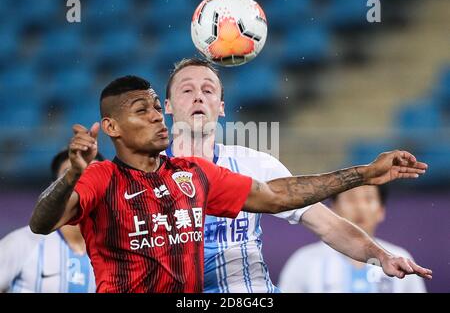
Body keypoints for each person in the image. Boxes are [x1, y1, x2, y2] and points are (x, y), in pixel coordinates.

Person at [28, 75, 430, 293]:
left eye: (154, 107)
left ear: (222, 104)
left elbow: (277, 195)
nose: (155, 116)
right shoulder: (102, 177)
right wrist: (72, 176)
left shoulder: (193, 175)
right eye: (143, 109)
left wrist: (362, 173)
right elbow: (42, 222)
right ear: (112, 127)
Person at [163, 58, 432, 293]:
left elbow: (329, 225)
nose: (198, 96)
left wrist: (379, 256)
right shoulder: (141, 178)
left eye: (208, 90)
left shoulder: (254, 164)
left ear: (221, 107)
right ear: (167, 106)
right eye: (187, 90)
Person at [278, 185, 427, 293]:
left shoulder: (402, 260)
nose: (359, 207)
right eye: (351, 199)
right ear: (332, 209)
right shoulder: (303, 261)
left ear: (381, 210)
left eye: (368, 199)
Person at [0, 148, 103, 293]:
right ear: (54, 188)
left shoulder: (117, 251)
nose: (83, 182)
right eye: (73, 174)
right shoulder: (23, 242)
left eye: (91, 174)